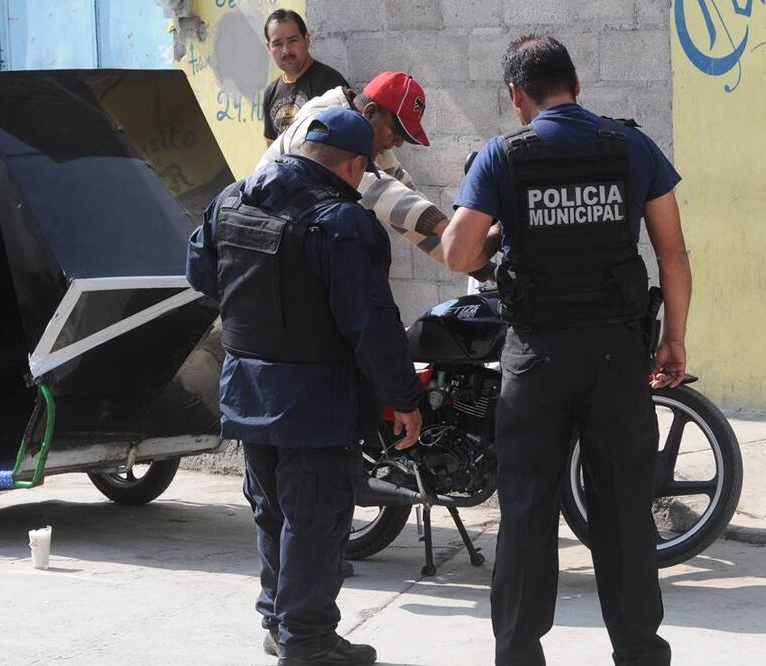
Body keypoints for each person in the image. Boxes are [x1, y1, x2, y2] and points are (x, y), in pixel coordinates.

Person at [443, 35, 689, 666]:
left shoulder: (502, 156)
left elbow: (458, 253)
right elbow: (672, 253)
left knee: (527, 512)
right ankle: (640, 654)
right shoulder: (632, 146)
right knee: (624, 513)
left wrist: (504, 230)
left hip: (537, 360)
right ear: (577, 86)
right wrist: (674, 338)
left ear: (516, 95)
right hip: (616, 356)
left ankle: (518, 654)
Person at [187, 107, 424, 666]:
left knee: (273, 512)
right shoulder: (342, 223)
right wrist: (404, 399)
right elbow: (371, 323)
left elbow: (201, 274)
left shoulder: (233, 198)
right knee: (316, 520)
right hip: (315, 402)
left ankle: (280, 623)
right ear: (355, 164)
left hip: (248, 391)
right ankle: (307, 641)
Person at [259, 71, 495, 278]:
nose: (398, 143)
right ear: (370, 112)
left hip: (288, 245)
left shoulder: (361, 132)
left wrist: (474, 264)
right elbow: (375, 190)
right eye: (396, 132)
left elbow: (403, 194)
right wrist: (444, 226)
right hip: (265, 245)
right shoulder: (320, 126)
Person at [262, 9, 348, 145]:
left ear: (306, 40)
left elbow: (347, 142)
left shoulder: (331, 84)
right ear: (269, 48)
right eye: (277, 44)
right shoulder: (271, 93)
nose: (286, 50)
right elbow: (272, 147)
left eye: (292, 40)